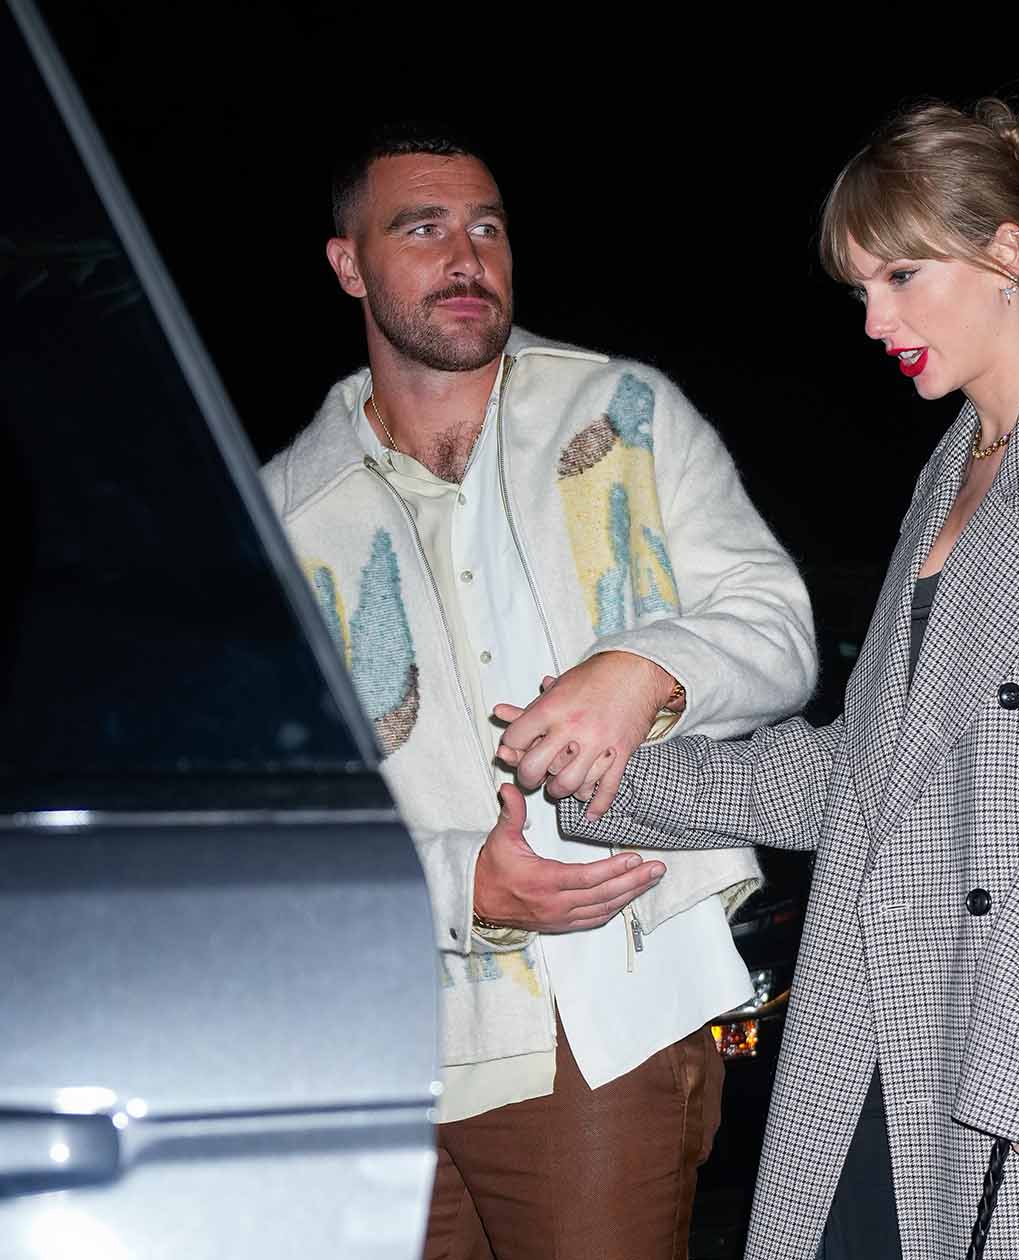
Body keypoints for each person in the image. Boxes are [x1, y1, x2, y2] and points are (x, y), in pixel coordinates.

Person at [502, 99, 1019, 1258]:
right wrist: (609, 778)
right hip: (903, 1028)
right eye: (860, 290)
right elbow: (864, 774)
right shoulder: (952, 473)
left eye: (900, 276)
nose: (875, 319)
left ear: (1005, 253)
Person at [260, 123, 817, 1260]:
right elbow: (267, 816)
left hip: (601, 1009)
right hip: (369, 1034)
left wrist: (647, 671)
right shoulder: (279, 516)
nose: (466, 256)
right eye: (422, 229)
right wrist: (458, 885)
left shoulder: (623, 413)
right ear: (348, 265)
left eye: (487, 227)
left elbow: (781, 631)